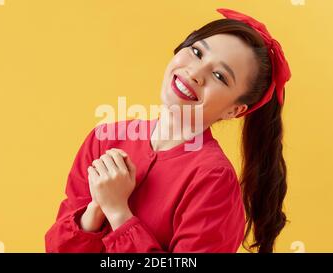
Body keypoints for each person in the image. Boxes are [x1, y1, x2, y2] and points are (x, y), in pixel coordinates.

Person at [45, 8, 291, 253]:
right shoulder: (104, 139)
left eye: (219, 76)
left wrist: (118, 212)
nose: (195, 73)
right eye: (197, 52)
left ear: (234, 110)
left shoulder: (213, 179)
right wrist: (96, 208)